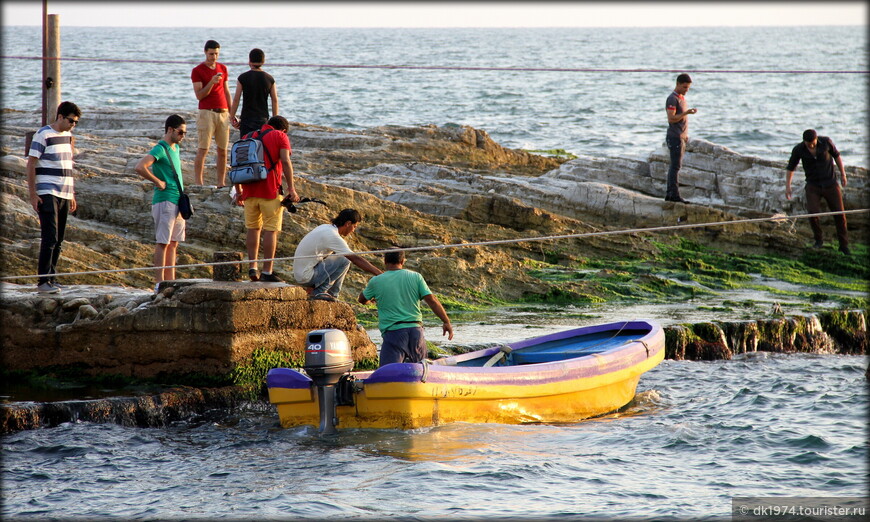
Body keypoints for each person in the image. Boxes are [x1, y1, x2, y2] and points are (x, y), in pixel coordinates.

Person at [231, 115, 300, 282]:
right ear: (283, 130)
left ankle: (252, 267)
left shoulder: (248, 136)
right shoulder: (279, 136)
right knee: (271, 230)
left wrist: (239, 191)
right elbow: (285, 161)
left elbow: (236, 164)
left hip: (248, 191)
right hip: (270, 191)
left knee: (253, 229)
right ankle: (267, 271)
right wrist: (291, 188)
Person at [358, 250, 454, 366]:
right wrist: (446, 321)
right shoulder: (416, 277)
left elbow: (362, 299)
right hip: (416, 331)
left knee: (388, 372)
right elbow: (432, 301)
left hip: (393, 333)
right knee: (421, 371)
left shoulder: (376, 281)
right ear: (403, 261)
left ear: (385, 261)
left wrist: (371, 300)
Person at [26, 101, 81, 294]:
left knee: (59, 239)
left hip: (65, 192)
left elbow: (69, 165)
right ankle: (42, 281)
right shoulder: (43, 134)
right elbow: (31, 164)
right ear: (60, 117)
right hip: (47, 192)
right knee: (49, 236)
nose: (73, 125)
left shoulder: (68, 136)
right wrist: (33, 194)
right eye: (71, 121)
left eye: (76, 122)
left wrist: (72, 193)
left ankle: (52, 278)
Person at [135, 115, 188, 292]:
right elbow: (140, 166)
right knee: (163, 242)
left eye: (185, 133)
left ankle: (170, 281)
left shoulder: (176, 148)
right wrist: (158, 182)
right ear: (170, 130)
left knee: (174, 243)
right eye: (181, 132)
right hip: (165, 201)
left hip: (177, 200)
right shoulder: (160, 148)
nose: (183, 136)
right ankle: (159, 283)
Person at [293, 209, 383, 301]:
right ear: (348, 223)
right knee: (345, 259)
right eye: (354, 226)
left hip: (303, 273)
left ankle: (332, 294)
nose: (353, 230)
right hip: (306, 276)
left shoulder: (325, 227)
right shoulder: (333, 236)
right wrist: (380, 274)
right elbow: (355, 259)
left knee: (340, 257)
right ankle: (319, 292)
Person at [786, 129, 850, 255]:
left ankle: (843, 245)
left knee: (840, 215)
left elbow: (837, 156)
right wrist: (788, 186)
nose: (811, 146)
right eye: (808, 144)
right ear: (804, 141)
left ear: (816, 139)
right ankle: (819, 240)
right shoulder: (799, 149)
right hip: (813, 185)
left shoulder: (826, 142)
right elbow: (790, 167)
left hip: (831, 184)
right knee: (812, 213)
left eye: (813, 143)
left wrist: (843, 174)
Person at [191, 39, 231, 187]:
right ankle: (198, 183)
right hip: (206, 112)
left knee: (223, 150)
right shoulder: (197, 70)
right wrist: (211, 83)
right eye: (211, 54)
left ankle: (221, 183)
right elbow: (199, 95)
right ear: (205, 52)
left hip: (223, 112)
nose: (214, 57)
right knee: (203, 149)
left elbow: (226, 91)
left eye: (216, 54)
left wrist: (232, 113)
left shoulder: (223, 68)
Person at [229, 48, 279, 138]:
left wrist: (232, 117)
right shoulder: (270, 79)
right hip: (263, 119)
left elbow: (236, 99)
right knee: (261, 146)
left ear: (249, 61)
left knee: (246, 146)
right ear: (263, 61)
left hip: (246, 119)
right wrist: (274, 120)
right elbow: (274, 100)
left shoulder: (242, 78)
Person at [664, 73, 698, 203]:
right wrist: (686, 112)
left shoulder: (681, 98)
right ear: (677, 84)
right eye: (684, 87)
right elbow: (671, 118)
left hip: (681, 137)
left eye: (688, 88)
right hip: (674, 137)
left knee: (676, 166)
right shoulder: (672, 99)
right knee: (675, 167)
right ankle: (674, 195)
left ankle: (670, 194)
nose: (686, 90)